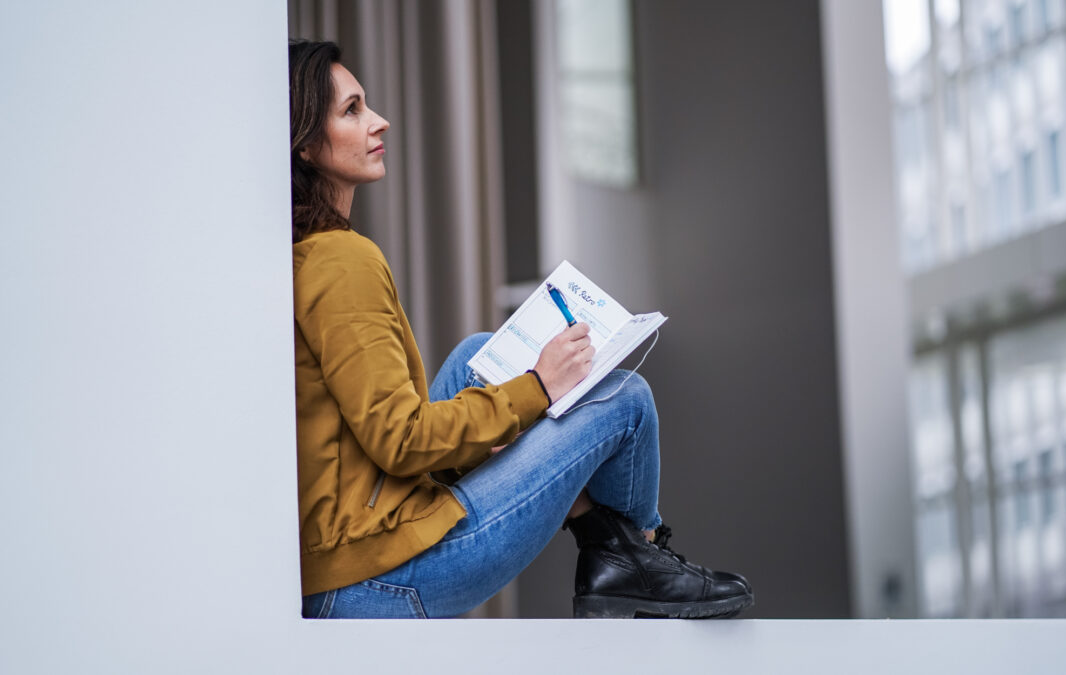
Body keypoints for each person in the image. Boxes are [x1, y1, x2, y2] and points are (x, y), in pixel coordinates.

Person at [290, 39, 754, 620]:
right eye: (352, 110)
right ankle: (642, 563)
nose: (378, 121)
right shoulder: (342, 261)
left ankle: (619, 559)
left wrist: (502, 419)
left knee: (476, 356)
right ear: (306, 145)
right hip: (377, 579)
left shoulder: (307, 256)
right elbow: (400, 440)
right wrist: (535, 388)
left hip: (353, 556)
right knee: (625, 400)